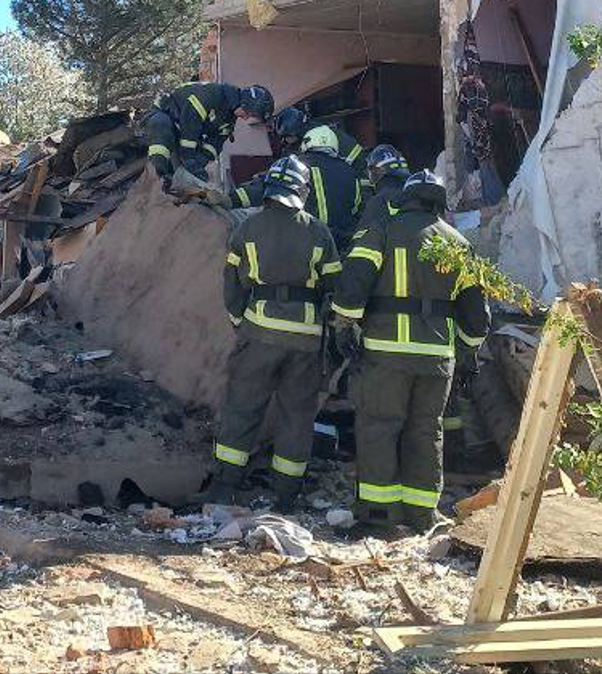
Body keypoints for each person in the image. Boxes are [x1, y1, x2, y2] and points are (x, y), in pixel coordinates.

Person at [330, 170, 491, 534]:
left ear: (405, 199)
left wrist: (344, 326)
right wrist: (468, 353)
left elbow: (353, 283)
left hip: (386, 353)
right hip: (437, 358)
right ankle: (421, 515)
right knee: (426, 431)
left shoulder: (382, 231)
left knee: (380, 427)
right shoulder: (458, 243)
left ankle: (378, 516)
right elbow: (476, 315)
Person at [206, 156, 340, 510]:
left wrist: (239, 321)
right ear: (302, 191)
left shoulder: (247, 229)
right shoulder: (319, 231)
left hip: (259, 331)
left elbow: (232, 285)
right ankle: (286, 496)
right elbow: (334, 285)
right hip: (306, 338)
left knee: (242, 407)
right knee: (296, 414)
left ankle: (225, 487)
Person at [144, 82, 273, 192]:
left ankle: (173, 185)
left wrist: (200, 162)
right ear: (245, 103)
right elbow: (190, 121)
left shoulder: (228, 121)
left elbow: (215, 143)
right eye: (249, 113)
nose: (245, 118)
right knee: (160, 129)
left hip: (182, 133)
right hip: (165, 114)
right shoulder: (213, 94)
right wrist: (189, 157)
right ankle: (157, 177)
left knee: (185, 170)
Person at [298, 125, 362, 251]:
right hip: (343, 242)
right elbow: (355, 206)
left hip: (309, 240)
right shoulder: (348, 170)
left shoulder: (298, 165)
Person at [359, 144, 410, 219]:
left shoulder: (377, 201)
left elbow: (365, 224)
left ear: (377, 170)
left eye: (370, 169)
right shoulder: (417, 194)